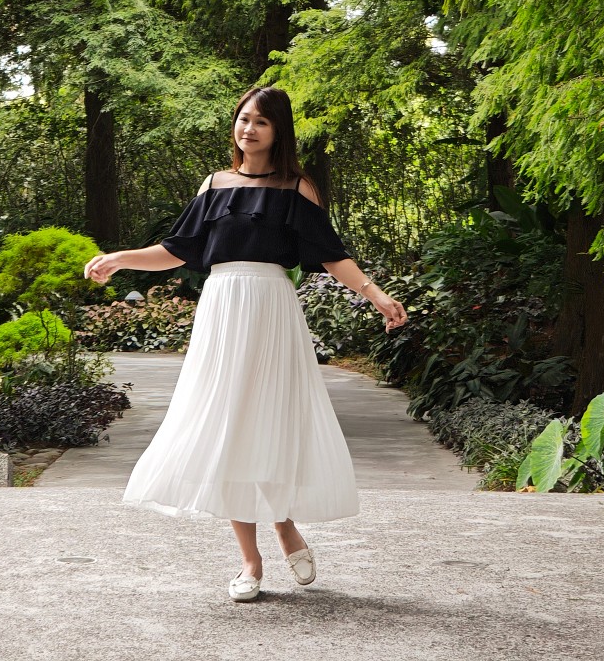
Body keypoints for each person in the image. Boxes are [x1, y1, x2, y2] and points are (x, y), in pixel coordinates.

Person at [83, 85, 407, 602]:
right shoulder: (214, 185)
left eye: (260, 121)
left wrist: (376, 295)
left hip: (272, 308)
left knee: (270, 422)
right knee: (229, 426)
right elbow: (176, 250)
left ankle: (283, 526)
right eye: (242, 118)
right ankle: (250, 563)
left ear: (278, 131)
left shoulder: (297, 187)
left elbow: (330, 254)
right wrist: (120, 257)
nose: (248, 128)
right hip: (222, 308)